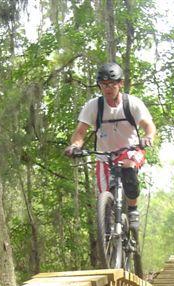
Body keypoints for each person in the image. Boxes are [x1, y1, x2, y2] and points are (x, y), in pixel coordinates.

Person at [65, 62, 156, 230]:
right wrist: (75, 145)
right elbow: (80, 132)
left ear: (120, 84)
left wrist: (148, 137)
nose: (107, 88)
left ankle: (133, 210)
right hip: (104, 155)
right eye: (103, 84)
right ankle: (108, 231)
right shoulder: (93, 106)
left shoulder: (132, 104)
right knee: (104, 199)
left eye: (112, 84)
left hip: (130, 150)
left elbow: (148, 125)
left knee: (128, 168)